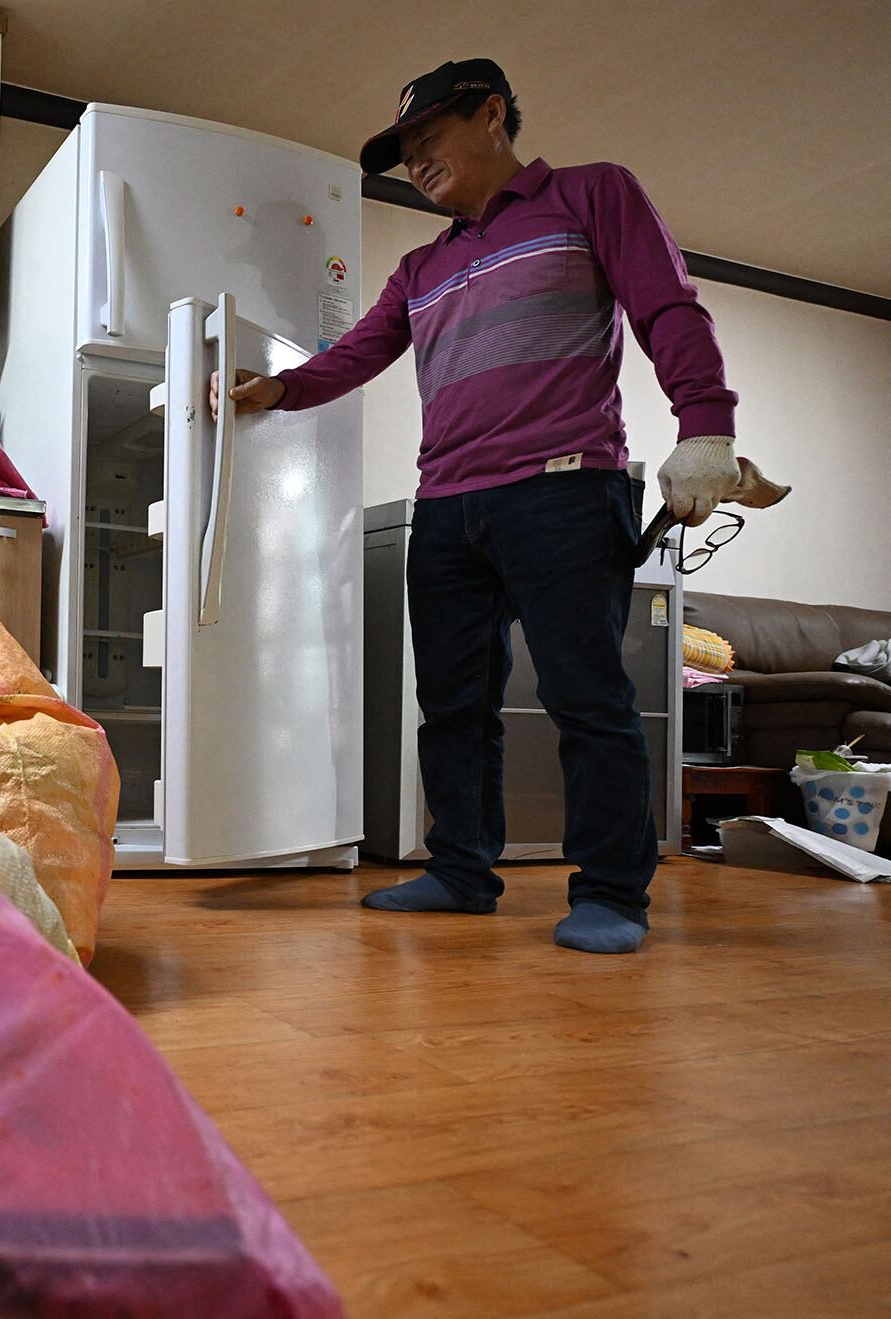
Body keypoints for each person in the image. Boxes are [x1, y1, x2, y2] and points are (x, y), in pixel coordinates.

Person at [213, 59, 741, 954]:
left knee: (587, 697)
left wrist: (707, 428)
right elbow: (356, 355)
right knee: (453, 703)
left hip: (568, 489)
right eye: (406, 153)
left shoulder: (591, 195)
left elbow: (668, 308)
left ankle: (612, 892)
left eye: (429, 139)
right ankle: (461, 871)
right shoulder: (421, 266)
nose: (417, 162)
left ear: (492, 114)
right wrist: (275, 390)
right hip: (449, 506)